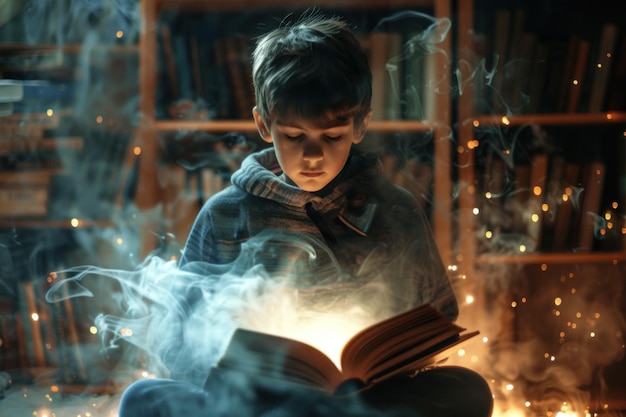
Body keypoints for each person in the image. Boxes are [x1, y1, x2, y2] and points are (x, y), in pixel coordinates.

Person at [119, 12, 493, 417]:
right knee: (143, 399)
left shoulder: (395, 209)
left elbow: (439, 316)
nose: (313, 155)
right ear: (264, 124)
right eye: (294, 136)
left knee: (469, 390)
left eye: (331, 136)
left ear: (361, 124)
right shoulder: (225, 214)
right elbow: (180, 338)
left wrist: (389, 360)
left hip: (364, 400)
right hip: (257, 403)